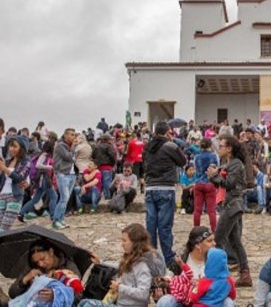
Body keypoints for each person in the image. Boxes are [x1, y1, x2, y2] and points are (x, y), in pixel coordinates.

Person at [208, 135, 252, 287]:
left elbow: (229, 183)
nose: (218, 148)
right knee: (234, 241)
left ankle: (215, 276)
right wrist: (214, 176)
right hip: (230, 204)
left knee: (218, 240)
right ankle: (245, 274)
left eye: (221, 146)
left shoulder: (235, 164)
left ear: (229, 149)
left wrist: (214, 176)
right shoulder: (228, 163)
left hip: (232, 205)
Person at [78, 224, 154, 307]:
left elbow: (144, 294)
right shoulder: (131, 260)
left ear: (135, 243)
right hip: (120, 303)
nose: (122, 244)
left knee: (88, 305)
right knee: (83, 302)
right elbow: (117, 267)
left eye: (125, 241)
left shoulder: (142, 266)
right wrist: (100, 262)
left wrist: (120, 287)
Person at [143, 121, 187, 265]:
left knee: (151, 224)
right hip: (165, 187)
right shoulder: (170, 146)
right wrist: (172, 141)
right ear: (168, 131)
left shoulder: (147, 146)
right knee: (165, 225)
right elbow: (182, 161)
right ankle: (168, 257)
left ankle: (151, 255)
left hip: (150, 187)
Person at [154, 226, 218, 307]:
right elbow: (167, 281)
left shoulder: (217, 261)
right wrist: (159, 296)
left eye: (214, 240)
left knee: (228, 302)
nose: (214, 243)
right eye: (210, 241)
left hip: (207, 303)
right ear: (198, 245)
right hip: (183, 303)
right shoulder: (181, 261)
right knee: (166, 301)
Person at [8, 240, 83, 299]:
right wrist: (25, 279)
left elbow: (79, 295)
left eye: (43, 259)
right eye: (37, 262)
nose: (41, 264)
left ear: (51, 252)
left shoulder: (68, 266)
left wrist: (55, 295)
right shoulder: (32, 267)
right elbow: (12, 294)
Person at [0, 136, 29, 235]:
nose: (11, 149)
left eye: (14, 146)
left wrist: (4, 168)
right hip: (1, 196)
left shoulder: (26, 162)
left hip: (15, 196)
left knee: (3, 230)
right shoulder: (8, 162)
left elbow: (20, 178)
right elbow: (0, 181)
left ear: (21, 148)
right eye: (10, 146)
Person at [20, 140, 57, 221]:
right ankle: (53, 216)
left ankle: (21, 213)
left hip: (40, 180)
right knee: (54, 197)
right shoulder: (45, 154)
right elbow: (38, 165)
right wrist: (49, 167)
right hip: (44, 179)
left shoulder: (44, 154)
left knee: (35, 200)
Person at [52, 128, 76, 230]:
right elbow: (68, 157)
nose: (73, 137)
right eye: (71, 134)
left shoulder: (69, 146)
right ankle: (56, 220)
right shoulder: (60, 145)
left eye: (74, 135)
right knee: (63, 198)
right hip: (63, 174)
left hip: (71, 174)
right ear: (65, 135)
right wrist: (74, 146)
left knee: (65, 199)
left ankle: (61, 219)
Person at [93, 133, 118, 200]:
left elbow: (93, 156)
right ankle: (107, 196)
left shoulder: (96, 147)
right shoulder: (109, 146)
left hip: (98, 167)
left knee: (99, 182)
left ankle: (98, 196)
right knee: (107, 182)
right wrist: (113, 164)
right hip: (107, 166)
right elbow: (112, 156)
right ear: (108, 139)